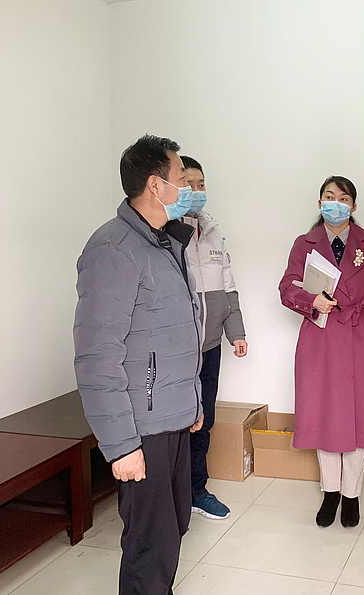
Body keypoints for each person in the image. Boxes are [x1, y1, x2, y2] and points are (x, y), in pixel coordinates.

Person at [73, 134, 204, 595]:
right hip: (141, 425)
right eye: (181, 178)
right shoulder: (113, 249)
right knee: (151, 544)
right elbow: (96, 356)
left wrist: (192, 403)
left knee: (174, 526)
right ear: (155, 185)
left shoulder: (164, 243)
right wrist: (122, 445)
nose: (187, 188)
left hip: (171, 416)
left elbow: (173, 333)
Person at [279, 176, 364, 528]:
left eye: (343, 198)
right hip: (320, 339)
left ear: (353, 206)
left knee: (361, 417)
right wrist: (310, 301)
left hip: (360, 337)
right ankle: (330, 492)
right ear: (320, 203)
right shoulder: (304, 243)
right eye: (329, 197)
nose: (336, 203)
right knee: (323, 414)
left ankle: (352, 494)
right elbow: (286, 287)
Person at [180, 155, 248, 520]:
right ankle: (174, 494)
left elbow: (228, 288)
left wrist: (236, 333)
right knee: (178, 423)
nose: (196, 190)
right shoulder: (166, 233)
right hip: (178, 351)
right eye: (188, 184)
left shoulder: (213, 231)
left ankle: (196, 490)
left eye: (201, 184)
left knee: (204, 420)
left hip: (210, 347)